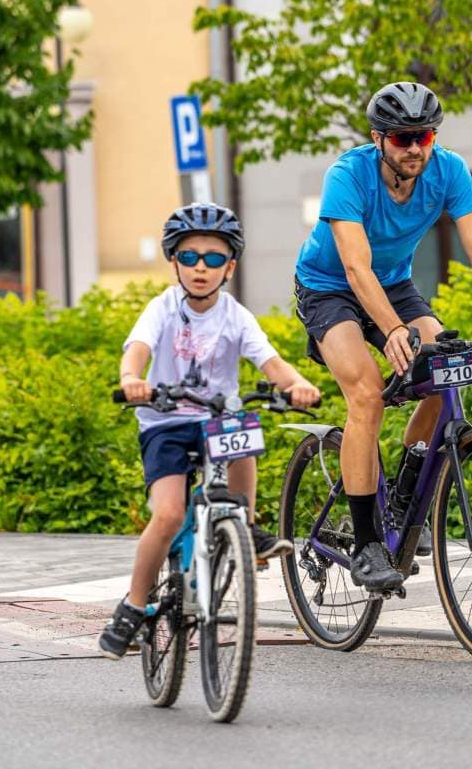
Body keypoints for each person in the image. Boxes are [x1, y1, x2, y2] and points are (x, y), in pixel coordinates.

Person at [294, 81, 472, 592]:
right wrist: (391, 328)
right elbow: (355, 266)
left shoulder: (449, 171)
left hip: (394, 285)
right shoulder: (347, 175)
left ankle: (404, 496)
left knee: (444, 369)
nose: (415, 148)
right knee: (367, 393)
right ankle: (367, 543)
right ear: (378, 138)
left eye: (425, 137)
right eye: (402, 138)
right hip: (330, 288)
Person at [100, 202, 321, 659]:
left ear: (230, 267)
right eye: (190, 257)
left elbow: (270, 361)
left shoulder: (235, 315)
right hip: (165, 422)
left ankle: (245, 523)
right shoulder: (161, 308)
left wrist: (297, 384)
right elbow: (137, 348)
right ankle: (133, 605)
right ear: (174, 262)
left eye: (214, 258)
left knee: (241, 427)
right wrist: (131, 379)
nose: (201, 267)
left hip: (215, 420)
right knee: (168, 516)